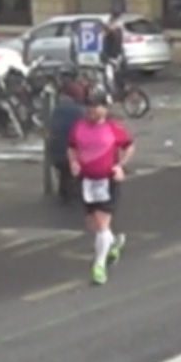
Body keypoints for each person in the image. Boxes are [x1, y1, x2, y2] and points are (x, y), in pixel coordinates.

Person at [66, 90, 135, 285]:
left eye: (96, 107)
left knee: (102, 223)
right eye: (89, 107)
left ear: (105, 109)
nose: (92, 111)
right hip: (86, 180)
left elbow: (129, 146)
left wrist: (120, 166)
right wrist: (74, 163)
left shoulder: (113, 128)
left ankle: (99, 266)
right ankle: (113, 243)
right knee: (94, 224)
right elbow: (71, 147)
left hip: (107, 180)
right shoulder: (78, 128)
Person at [46, 81, 88, 204]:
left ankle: (65, 189)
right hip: (72, 155)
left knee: (65, 170)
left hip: (55, 154)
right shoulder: (81, 112)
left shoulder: (56, 111)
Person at [100, 12, 127, 90]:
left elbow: (115, 45)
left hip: (113, 57)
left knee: (111, 78)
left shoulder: (115, 31)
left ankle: (115, 93)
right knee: (113, 77)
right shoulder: (114, 32)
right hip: (113, 57)